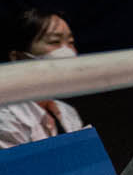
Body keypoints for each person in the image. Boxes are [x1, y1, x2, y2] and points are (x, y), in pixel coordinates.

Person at [1, 8, 88, 148]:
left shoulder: (67, 112)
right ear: (17, 57)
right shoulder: (5, 118)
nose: (67, 52)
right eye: (54, 42)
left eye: (71, 42)